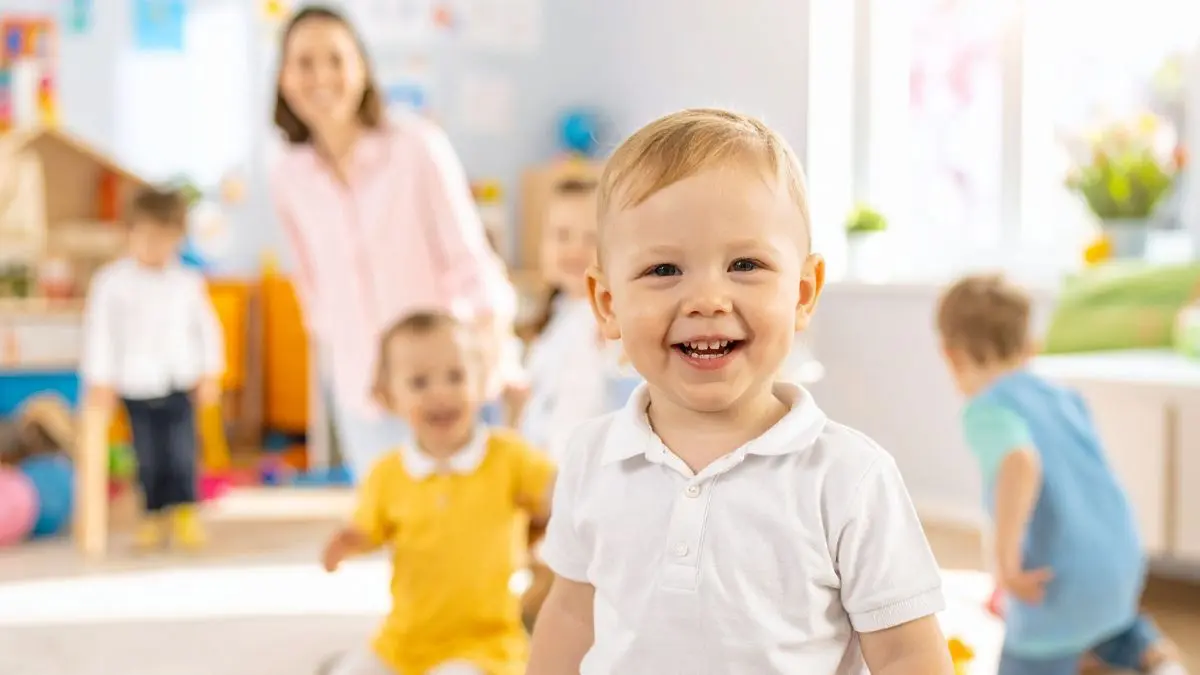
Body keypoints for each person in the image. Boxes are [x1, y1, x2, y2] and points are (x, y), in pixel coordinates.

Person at [527, 108, 953, 674]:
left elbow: (905, 652)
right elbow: (573, 615)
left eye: (745, 264)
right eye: (663, 270)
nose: (707, 298)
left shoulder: (849, 478)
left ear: (803, 293)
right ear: (608, 304)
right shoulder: (590, 456)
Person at [271, 5, 518, 482]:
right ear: (283, 78)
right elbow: (311, 284)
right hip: (364, 388)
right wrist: (344, 361)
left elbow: (469, 259)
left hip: (445, 381)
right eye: (304, 62)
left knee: (465, 531)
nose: (321, 75)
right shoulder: (287, 174)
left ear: (362, 69)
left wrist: (491, 358)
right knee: (395, 533)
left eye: (336, 59)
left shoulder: (416, 145)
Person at [935, 274, 1188, 675]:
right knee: (1110, 626)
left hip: (1059, 584)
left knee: (1030, 653)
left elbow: (1020, 463)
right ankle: (1152, 657)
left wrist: (1004, 563)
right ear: (1029, 347)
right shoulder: (1065, 397)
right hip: (1119, 563)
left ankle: (1074, 653)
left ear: (951, 356)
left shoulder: (986, 408)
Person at [321, 311, 555, 675]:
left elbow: (560, 491)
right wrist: (348, 543)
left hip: (485, 642)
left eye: (456, 377)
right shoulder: (387, 473)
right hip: (403, 640)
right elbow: (368, 530)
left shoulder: (509, 456)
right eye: (419, 382)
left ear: (481, 382)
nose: (441, 393)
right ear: (387, 397)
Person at [81, 186, 224, 551]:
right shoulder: (111, 283)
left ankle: (186, 512)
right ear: (128, 233)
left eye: (164, 239)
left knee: (182, 452)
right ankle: (153, 514)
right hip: (135, 384)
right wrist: (101, 379)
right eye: (146, 237)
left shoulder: (187, 282)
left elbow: (207, 330)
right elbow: (100, 335)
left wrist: (211, 373)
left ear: (178, 238)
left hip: (178, 382)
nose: (154, 247)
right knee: (146, 456)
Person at [516, 177, 639, 464]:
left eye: (591, 238)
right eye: (561, 235)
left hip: (581, 463)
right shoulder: (556, 316)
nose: (575, 249)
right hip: (544, 463)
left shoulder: (607, 316)